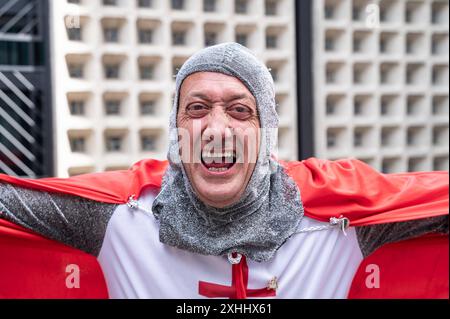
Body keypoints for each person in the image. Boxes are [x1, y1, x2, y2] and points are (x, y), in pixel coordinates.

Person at [0, 43, 448, 299]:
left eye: (239, 110)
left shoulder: (344, 221)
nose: (216, 128)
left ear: (266, 133)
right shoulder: (115, 217)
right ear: (175, 129)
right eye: (196, 109)